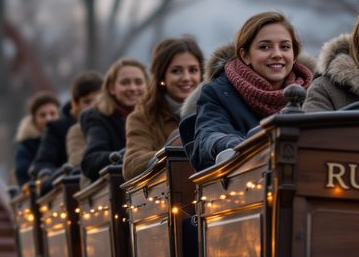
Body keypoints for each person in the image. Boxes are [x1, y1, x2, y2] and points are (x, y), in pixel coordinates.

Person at [184, 12, 312, 172]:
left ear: (294, 55)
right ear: (245, 56)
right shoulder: (218, 92)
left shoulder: (313, 90)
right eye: (265, 47)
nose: (277, 54)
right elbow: (209, 135)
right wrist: (243, 147)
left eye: (285, 47)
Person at [123, 37, 204, 178]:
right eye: (176, 71)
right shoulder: (142, 118)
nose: (186, 77)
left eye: (193, 70)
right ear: (161, 76)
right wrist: (172, 149)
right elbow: (131, 165)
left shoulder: (213, 108)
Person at [78, 58, 148, 180]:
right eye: (125, 82)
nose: (132, 88)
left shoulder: (158, 114)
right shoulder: (98, 117)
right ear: (111, 88)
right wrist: (132, 156)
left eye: (138, 82)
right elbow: (91, 161)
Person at [30, 71, 103, 186]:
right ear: (75, 104)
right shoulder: (58, 129)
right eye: (87, 101)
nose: (93, 106)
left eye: (98, 100)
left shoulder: (114, 121)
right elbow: (43, 165)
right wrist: (65, 174)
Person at [12, 91, 60, 186]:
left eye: (52, 113)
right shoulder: (25, 147)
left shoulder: (68, 137)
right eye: (43, 115)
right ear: (34, 120)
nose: (48, 119)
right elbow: (24, 179)